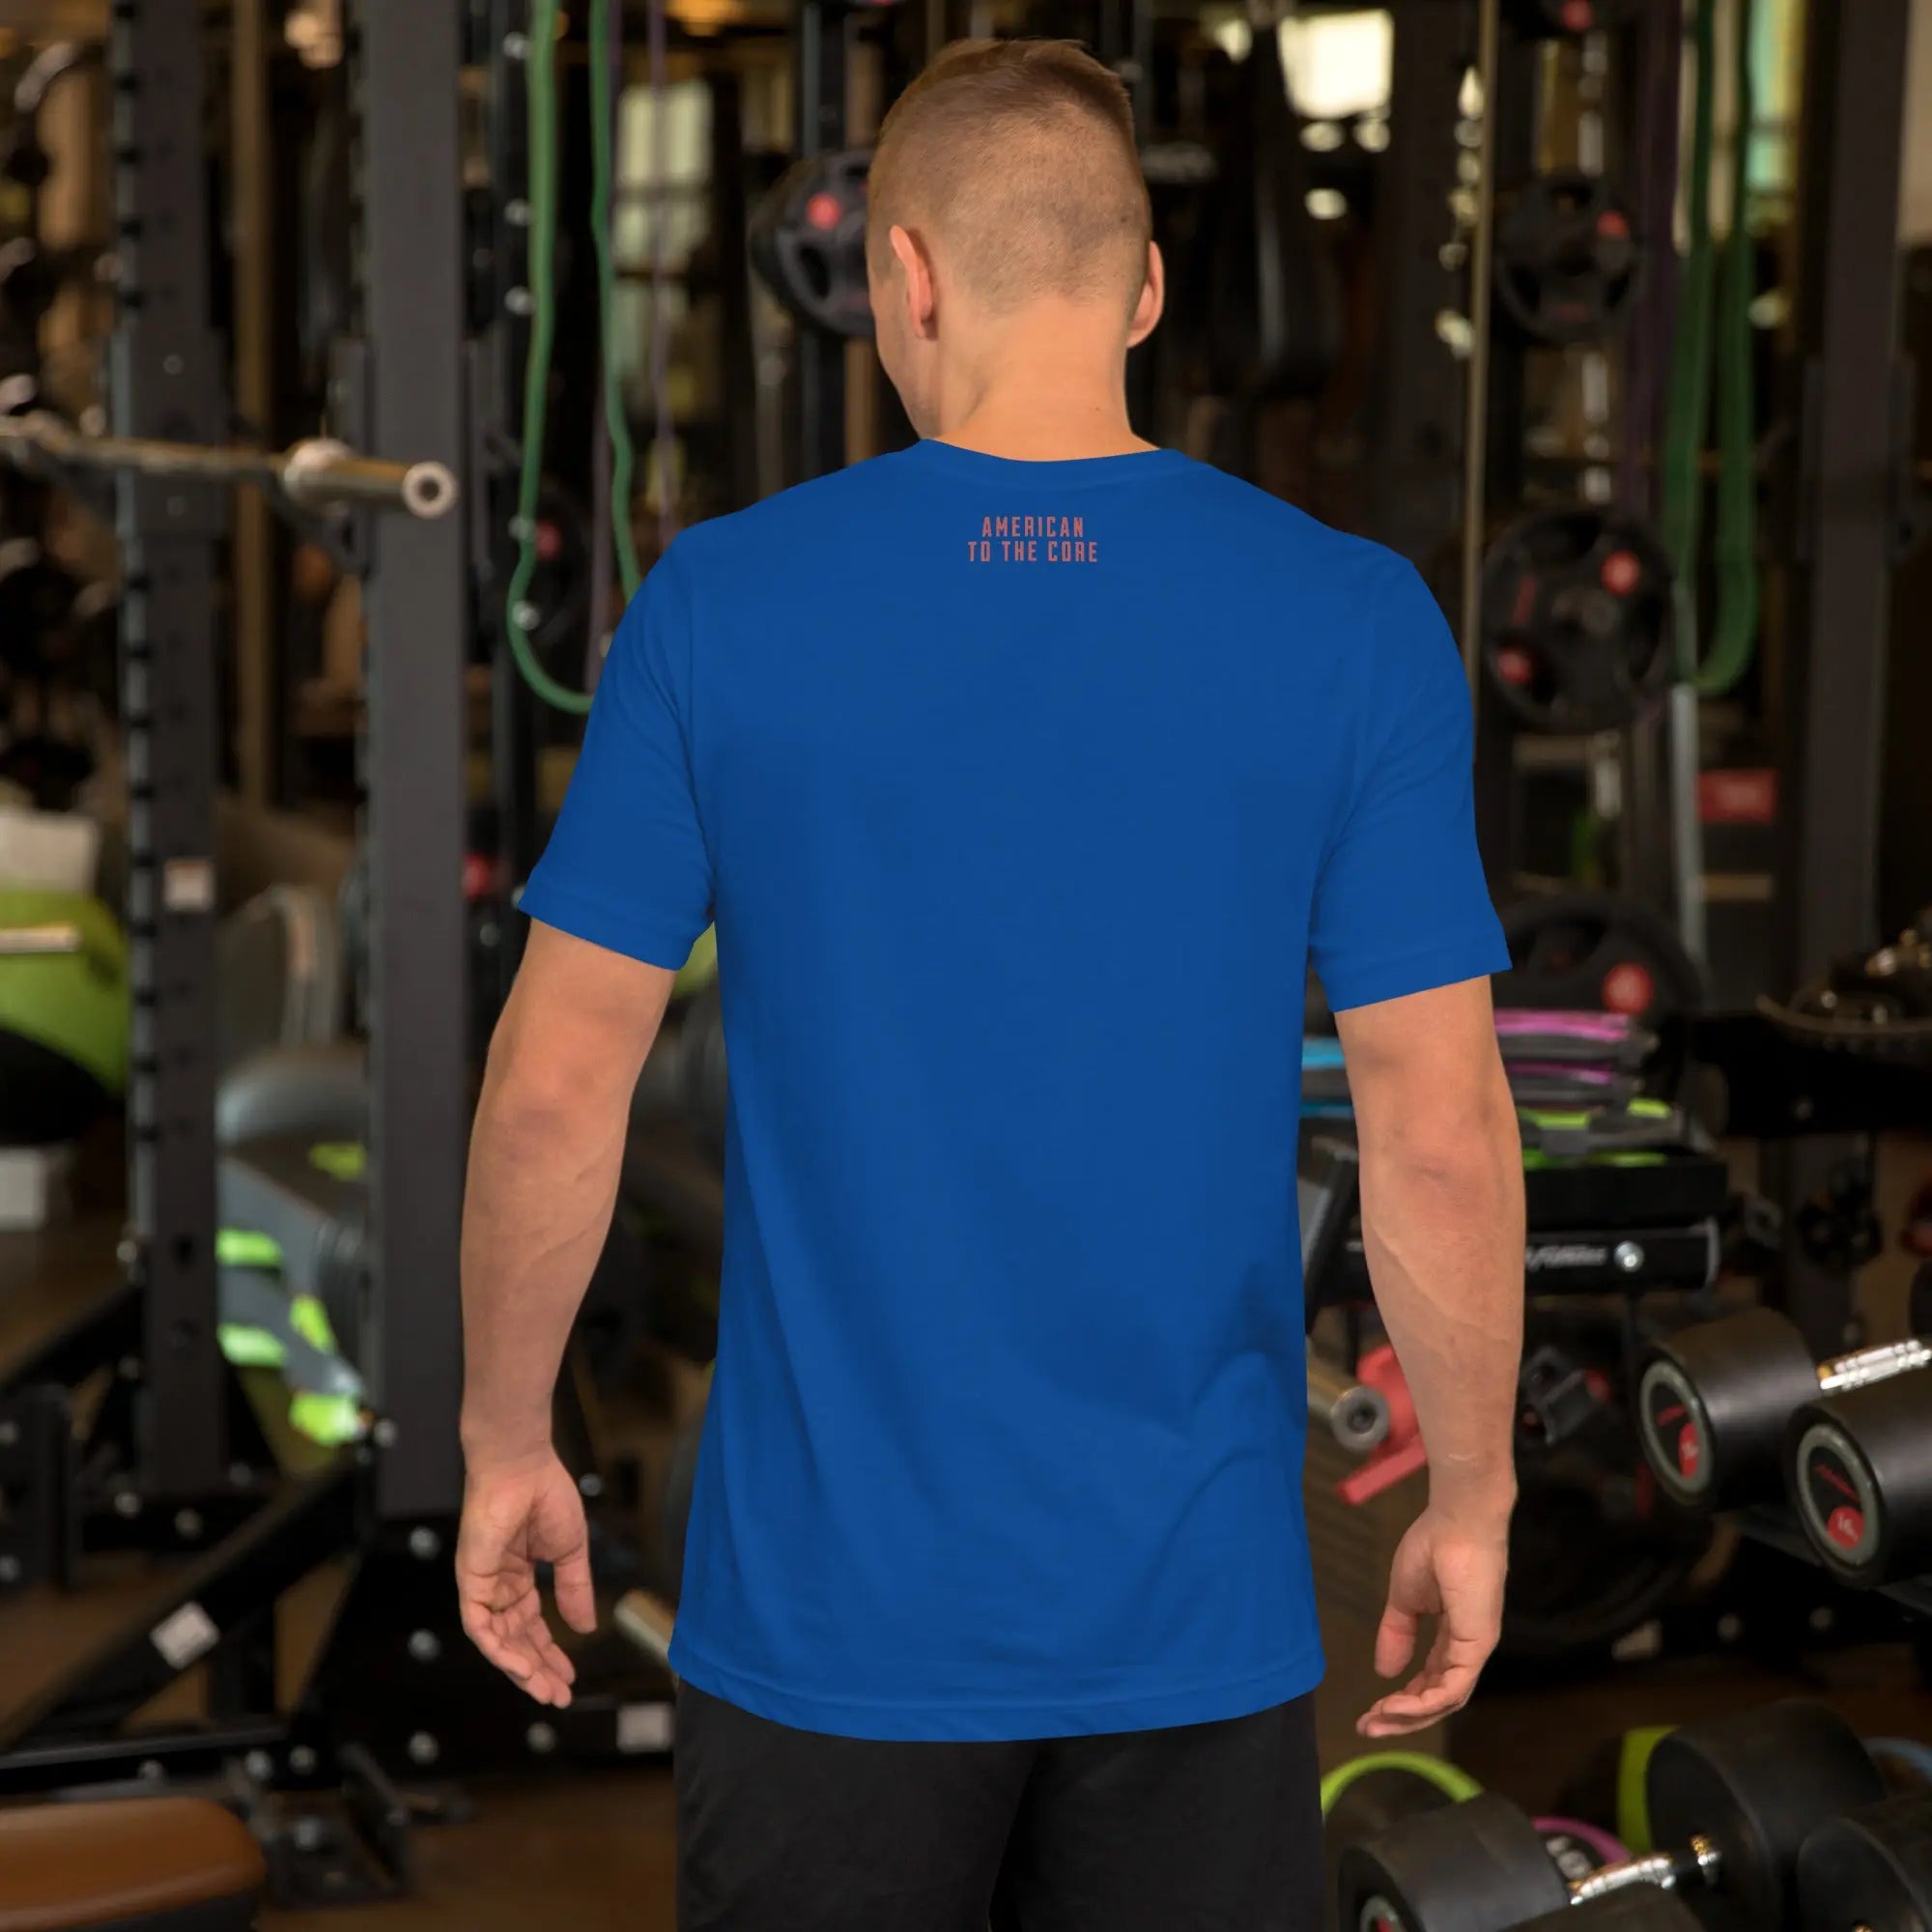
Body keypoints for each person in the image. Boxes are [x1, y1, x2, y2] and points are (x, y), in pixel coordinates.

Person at [457, 37, 1523, 1932]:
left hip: (826, 1628)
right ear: (1147, 287)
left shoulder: (720, 601)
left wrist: (506, 1442)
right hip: (1193, 1622)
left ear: (904, 274)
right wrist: (1475, 1493)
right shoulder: (1350, 616)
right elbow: (1432, 1120)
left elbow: (555, 1088)